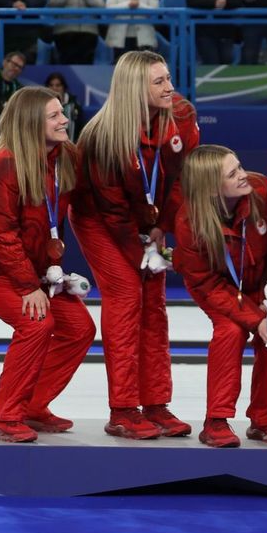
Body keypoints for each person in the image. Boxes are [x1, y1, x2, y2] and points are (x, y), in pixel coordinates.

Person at [72, 50, 199, 439]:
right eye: (159, 81)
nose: (170, 87)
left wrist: (161, 228)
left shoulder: (182, 116)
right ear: (134, 88)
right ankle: (124, 409)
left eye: (169, 78)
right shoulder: (102, 136)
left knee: (155, 304)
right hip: (100, 220)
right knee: (129, 294)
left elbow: (181, 180)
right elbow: (112, 212)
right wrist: (144, 251)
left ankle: (157, 404)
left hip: (148, 218)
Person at [0, 87, 94, 442]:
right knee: (36, 323)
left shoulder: (65, 156)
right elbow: (2, 234)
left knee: (79, 327)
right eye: (54, 115)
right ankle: (4, 416)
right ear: (32, 122)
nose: (65, 119)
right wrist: (28, 286)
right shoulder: (6, 165)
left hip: (32, 269)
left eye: (62, 112)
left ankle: (32, 406)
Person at [175, 146, 267, 448]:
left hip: (261, 282)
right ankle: (216, 420)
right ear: (211, 188)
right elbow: (207, 284)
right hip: (217, 287)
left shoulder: (262, 191)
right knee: (230, 331)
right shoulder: (190, 222)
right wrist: (254, 320)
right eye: (233, 174)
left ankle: (264, 420)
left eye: (240, 166)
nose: (244, 176)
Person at [45, 73, 84, 140]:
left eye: (58, 85)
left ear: (64, 87)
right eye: (51, 85)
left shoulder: (74, 105)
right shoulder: (42, 105)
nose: (54, 88)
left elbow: (80, 128)